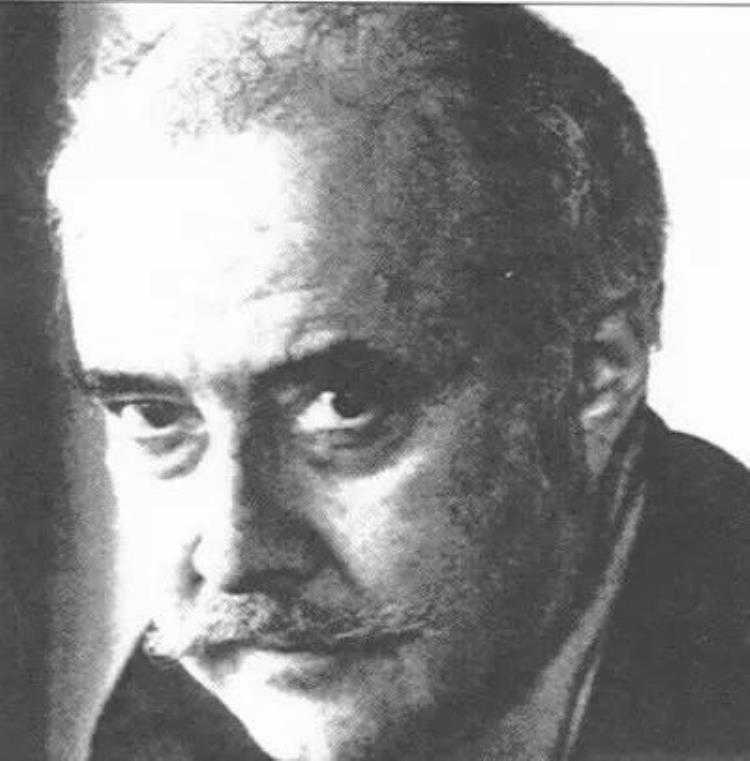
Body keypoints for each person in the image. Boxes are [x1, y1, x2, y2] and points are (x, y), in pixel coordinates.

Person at [48, 5, 749, 761]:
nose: (234, 559)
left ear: (593, 376)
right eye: (155, 416)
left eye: (344, 407)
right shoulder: (178, 721)